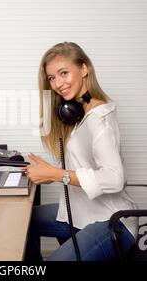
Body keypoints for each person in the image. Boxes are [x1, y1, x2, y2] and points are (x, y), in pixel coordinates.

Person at [24, 42, 138, 261]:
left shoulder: (99, 117)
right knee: (23, 220)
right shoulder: (77, 114)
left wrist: (56, 175)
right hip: (79, 213)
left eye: (63, 73)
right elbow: (84, 165)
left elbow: (115, 178)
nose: (57, 83)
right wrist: (50, 173)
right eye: (51, 78)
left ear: (84, 69)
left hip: (112, 222)